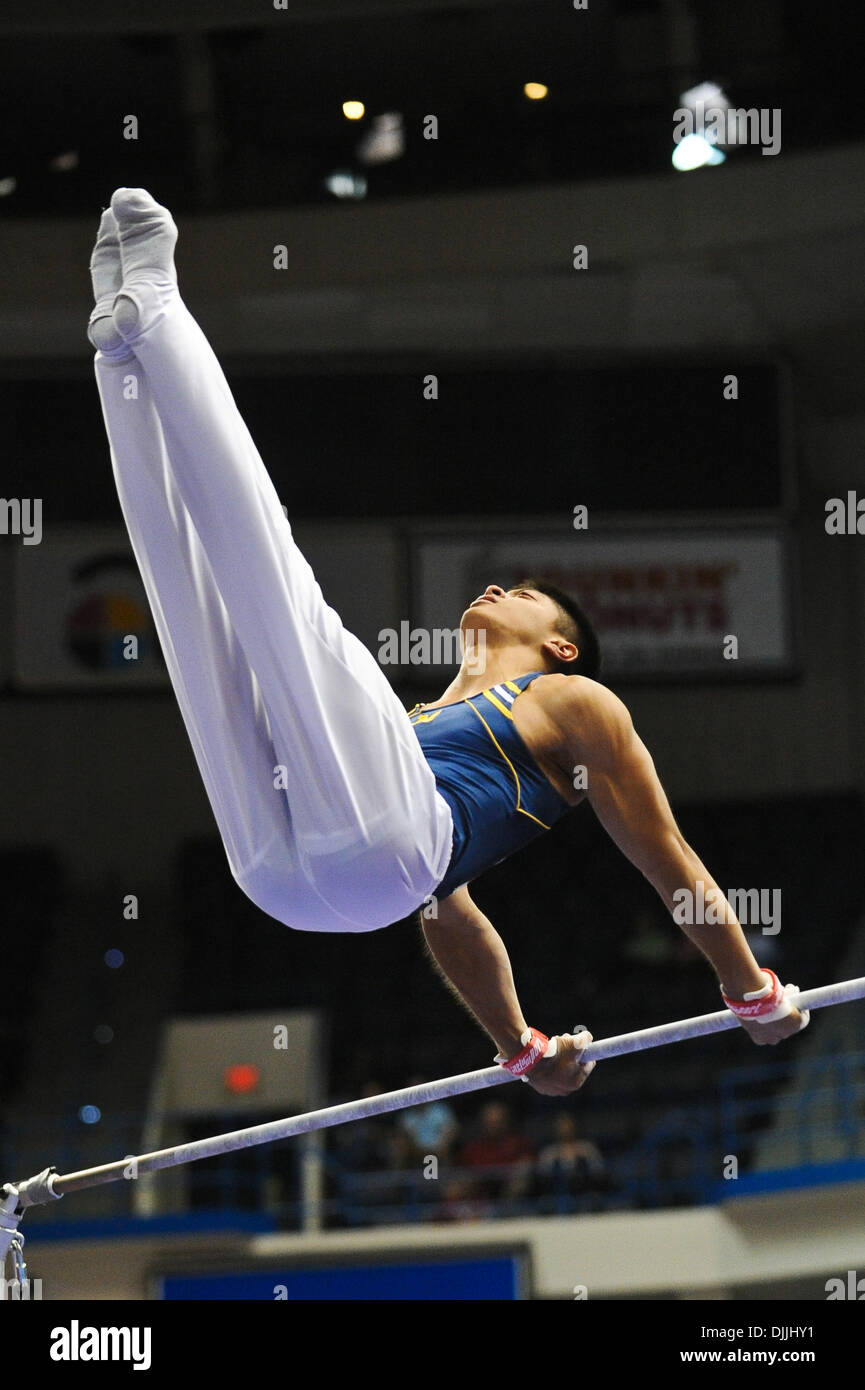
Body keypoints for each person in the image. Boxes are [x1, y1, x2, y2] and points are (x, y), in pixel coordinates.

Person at [87, 188, 809, 1107]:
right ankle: (127, 355)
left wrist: (748, 987)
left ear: (560, 647)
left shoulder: (573, 707)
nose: (500, 588)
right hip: (333, 873)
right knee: (214, 618)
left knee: (262, 605)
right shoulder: (417, 731)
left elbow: (664, 856)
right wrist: (519, 1042)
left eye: (527, 594)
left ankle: (155, 310)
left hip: (307, 875)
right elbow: (450, 913)